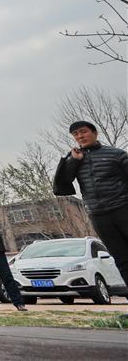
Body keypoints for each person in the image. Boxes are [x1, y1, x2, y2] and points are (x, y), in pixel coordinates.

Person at [54, 121, 128, 297]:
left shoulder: (116, 155)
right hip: (98, 214)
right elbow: (62, 185)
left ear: (95, 133)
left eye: (83, 132)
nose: (80, 136)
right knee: (122, 259)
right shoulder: (74, 159)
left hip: (123, 208)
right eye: (76, 134)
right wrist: (73, 161)